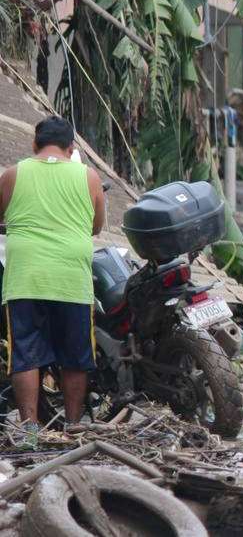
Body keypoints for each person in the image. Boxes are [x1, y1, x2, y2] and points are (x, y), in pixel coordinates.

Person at [0, 116, 107, 447]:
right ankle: (73, 428)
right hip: (71, 279)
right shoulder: (89, 177)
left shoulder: (13, 174)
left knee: (26, 355)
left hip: (25, 278)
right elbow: (97, 227)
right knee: (76, 355)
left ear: (34, 144)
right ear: (71, 149)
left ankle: (30, 433)